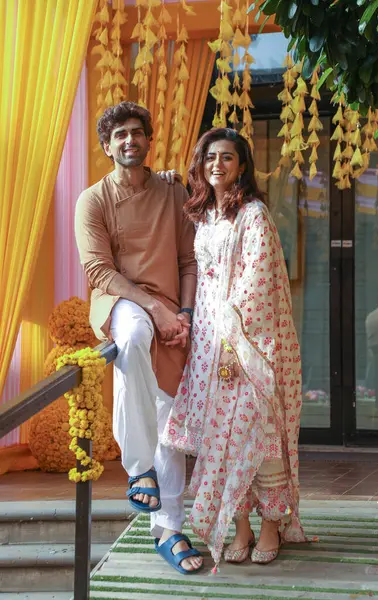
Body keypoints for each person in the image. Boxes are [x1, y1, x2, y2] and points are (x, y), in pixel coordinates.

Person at [161, 127, 306, 569]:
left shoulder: (254, 213)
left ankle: (270, 526)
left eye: (226, 157)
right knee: (220, 436)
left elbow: (256, 282)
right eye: (210, 157)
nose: (217, 165)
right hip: (208, 339)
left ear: (242, 166)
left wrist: (232, 343)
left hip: (246, 342)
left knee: (255, 432)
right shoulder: (205, 214)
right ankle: (239, 525)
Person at [74, 101, 203, 574]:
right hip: (126, 301)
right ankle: (138, 468)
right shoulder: (93, 199)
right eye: (119, 135)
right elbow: (97, 270)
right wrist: (156, 308)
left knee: (168, 409)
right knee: (129, 342)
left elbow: (189, 260)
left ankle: (168, 528)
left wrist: (184, 314)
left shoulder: (172, 192)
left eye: (137, 132)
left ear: (149, 140)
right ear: (107, 146)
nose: (129, 140)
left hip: (174, 307)